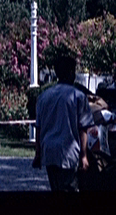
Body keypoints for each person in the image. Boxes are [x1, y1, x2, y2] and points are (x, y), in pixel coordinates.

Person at [32, 52, 95, 192]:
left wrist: (38, 154)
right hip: (68, 153)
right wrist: (84, 156)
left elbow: (39, 128)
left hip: (49, 153)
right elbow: (83, 128)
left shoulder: (44, 96)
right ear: (71, 72)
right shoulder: (77, 96)